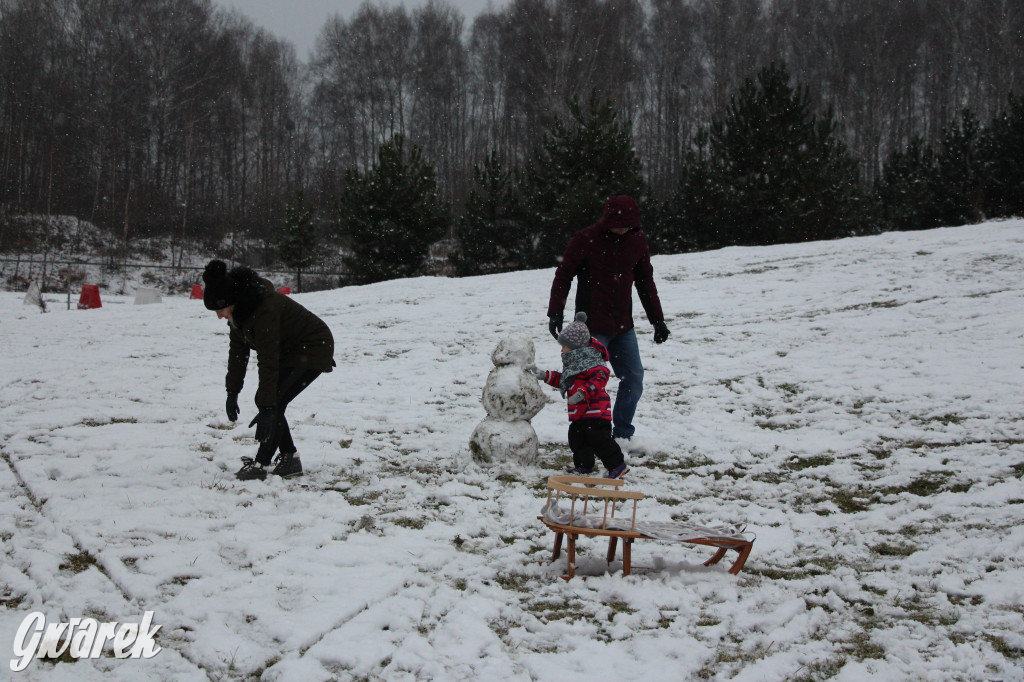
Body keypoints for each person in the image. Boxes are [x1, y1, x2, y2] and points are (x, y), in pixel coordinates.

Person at [547, 195, 669, 442]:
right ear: (608, 219)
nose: (623, 228)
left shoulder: (637, 241)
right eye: (618, 223)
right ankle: (590, 436)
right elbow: (564, 275)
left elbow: (646, 283)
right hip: (591, 331)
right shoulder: (585, 239)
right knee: (587, 386)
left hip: (624, 328)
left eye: (628, 224)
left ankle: (622, 434)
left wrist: (657, 320)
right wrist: (555, 312)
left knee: (634, 380)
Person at [202, 259, 335, 480]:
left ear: (231, 301)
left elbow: (268, 359)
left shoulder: (265, 309)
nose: (219, 316)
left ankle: (262, 463)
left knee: (273, 401)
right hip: (290, 350)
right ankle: (289, 458)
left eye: (220, 309)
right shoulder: (239, 315)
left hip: (313, 347)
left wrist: (267, 407)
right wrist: (232, 391)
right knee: (271, 401)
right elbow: (237, 355)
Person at [531, 312, 628, 479]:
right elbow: (564, 380)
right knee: (577, 440)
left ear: (576, 347)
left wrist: (583, 392)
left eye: (564, 346)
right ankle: (584, 465)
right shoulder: (574, 364)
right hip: (579, 414)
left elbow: (600, 379)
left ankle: (617, 465)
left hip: (596, 412)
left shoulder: (593, 363)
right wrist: (544, 375)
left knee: (600, 441)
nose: (562, 349)